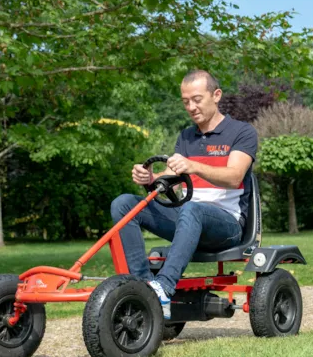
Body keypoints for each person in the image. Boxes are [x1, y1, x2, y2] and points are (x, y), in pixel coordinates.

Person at [110, 70, 258, 318]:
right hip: (189, 219)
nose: (191, 107)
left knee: (192, 208)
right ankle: (143, 287)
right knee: (123, 204)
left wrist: (195, 166)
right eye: (186, 101)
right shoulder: (186, 137)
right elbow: (171, 180)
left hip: (227, 226)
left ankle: (165, 287)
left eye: (197, 99)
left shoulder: (242, 132)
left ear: (216, 95)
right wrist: (150, 179)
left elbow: (234, 176)